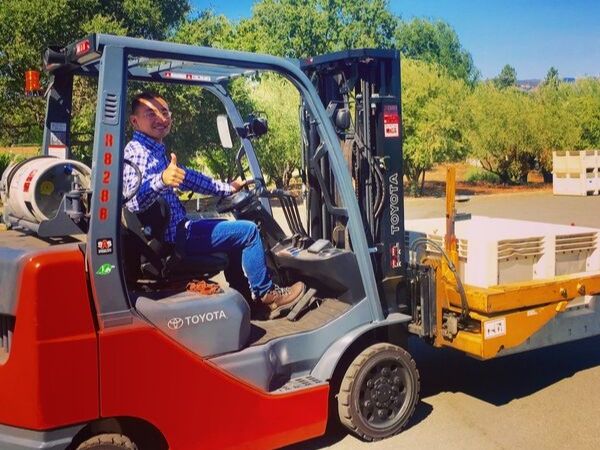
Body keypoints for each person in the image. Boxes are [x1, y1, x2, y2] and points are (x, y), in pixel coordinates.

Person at [123, 91, 305, 317]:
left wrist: (228, 188)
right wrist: (161, 180)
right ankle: (267, 293)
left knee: (234, 237)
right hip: (175, 239)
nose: (161, 118)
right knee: (249, 232)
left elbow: (192, 179)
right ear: (134, 121)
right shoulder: (138, 152)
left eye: (165, 112)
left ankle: (248, 304)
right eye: (151, 113)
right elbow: (133, 201)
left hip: (177, 232)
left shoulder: (155, 151)